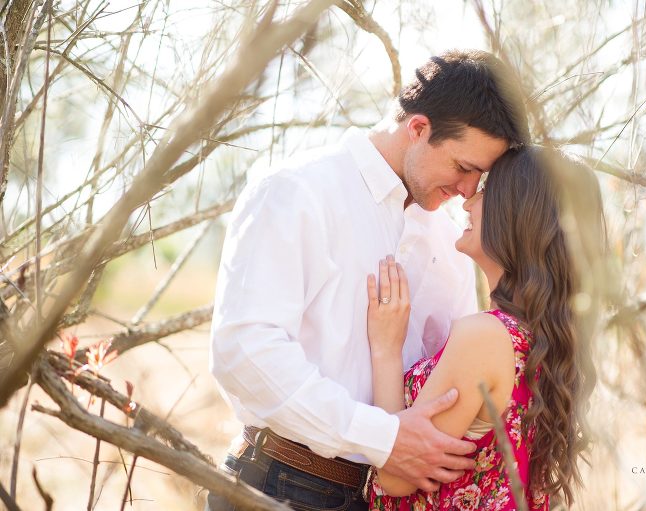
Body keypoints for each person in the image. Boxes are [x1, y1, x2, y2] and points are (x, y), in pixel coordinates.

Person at [207, 49, 529, 510]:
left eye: (478, 177)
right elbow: (244, 353)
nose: (466, 191)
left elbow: (445, 377)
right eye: (463, 168)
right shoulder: (297, 192)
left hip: (385, 498)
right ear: (418, 128)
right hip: (280, 483)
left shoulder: (448, 239)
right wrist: (381, 437)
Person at [365, 146, 604, 510]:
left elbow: (396, 477)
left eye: (487, 191)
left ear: (518, 215)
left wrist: (386, 350)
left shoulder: (486, 338)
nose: (467, 203)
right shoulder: (540, 341)